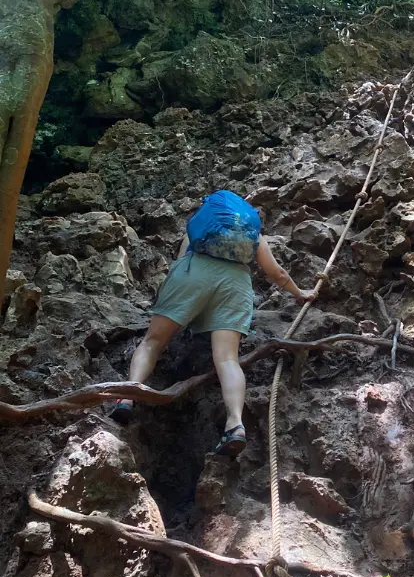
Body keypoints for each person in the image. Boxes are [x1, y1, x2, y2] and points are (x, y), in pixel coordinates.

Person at [110, 190, 312, 457]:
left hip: (194, 274)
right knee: (227, 359)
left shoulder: (201, 227)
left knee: (153, 342)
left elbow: (183, 259)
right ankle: (235, 424)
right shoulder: (253, 236)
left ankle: (127, 396)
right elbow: (277, 273)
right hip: (235, 285)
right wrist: (301, 294)